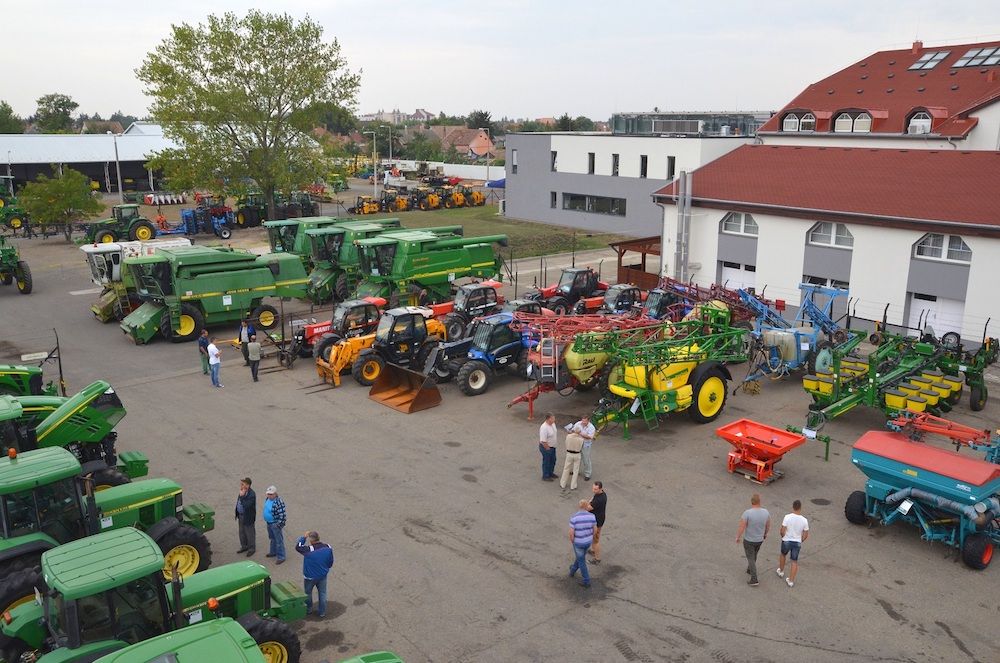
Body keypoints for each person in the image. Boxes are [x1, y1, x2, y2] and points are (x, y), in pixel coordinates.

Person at [296, 531, 334, 618]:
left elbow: (298, 547)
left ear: (311, 541)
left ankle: (309, 609)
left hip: (310, 577)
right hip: (322, 575)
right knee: (322, 593)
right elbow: (330, 561)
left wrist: (303, 537)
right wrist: (326, 568)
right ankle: (322, 612)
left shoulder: (309, 550)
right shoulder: (328, 547)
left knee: (308, 593)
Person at [736, 493, 770, 587]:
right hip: (759, 539)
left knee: (750, 557)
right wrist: (765, 534)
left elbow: (742, 526)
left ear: (751, 502)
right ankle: (750, 569)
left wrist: (738, 537)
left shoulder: (747, 513)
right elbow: (768, 525)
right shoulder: (766, 512)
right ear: (759, 502)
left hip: (749, 540)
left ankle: (754, 579)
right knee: (754, 554)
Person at [777, 499, 809, 588]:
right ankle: (791, 581)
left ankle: (781, 571)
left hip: (787, 540)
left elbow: (782, 530)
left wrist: (783, 536)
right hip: (797, 542)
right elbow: (806, 534)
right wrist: (801, 540)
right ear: (800, 508)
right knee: (794, 561)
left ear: (793, 507)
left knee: (783, 555)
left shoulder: (787, 517)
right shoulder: (804, 520)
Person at [568, 499, 597, 588]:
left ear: (579, 507)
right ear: (586, 506)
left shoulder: (574, 517)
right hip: (588, 542)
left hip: (578, 542)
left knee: (581, 561)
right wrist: (591, 537)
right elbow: (595, 530)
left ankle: (586, 580)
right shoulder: (592, 516)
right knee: (580, 557)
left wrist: (573, 541)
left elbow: (571, 533)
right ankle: (572, 570)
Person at [567, 416, 596, 481]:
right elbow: (573, 430)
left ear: (588, 421)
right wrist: (570, 431)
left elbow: (589, 437)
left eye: (585, 421)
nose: (583, 422)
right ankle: (575, 471)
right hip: (577, 444)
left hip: (586, 445)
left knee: (586, 459)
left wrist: (580, 433)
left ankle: (587, 474)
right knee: (576, 458)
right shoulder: (578, 423)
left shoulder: (591, 427)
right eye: (582, 421)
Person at [263, 486, 287, 564]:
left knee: (279, 541)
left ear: (275, 494)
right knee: (272, 538)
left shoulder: (279, 502)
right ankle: (273, 552)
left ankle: (281, 557)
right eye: (268, 494)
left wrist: (278, 525)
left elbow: (282, 515)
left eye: (271, 494)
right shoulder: (268, 499)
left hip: (275, 524)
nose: (269, 495)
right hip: (269, 523)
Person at [235, 477, 256, 557]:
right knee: (242, 532)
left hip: (248, 517)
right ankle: (244, 546)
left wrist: (242, 496)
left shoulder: (252, 494)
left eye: (243, 484)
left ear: (247, 485)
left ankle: (251, 548)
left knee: (249, 533)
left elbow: (247, 505)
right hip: (241, 515)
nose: (241, 485)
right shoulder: (242, 491)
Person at [587, 481, 607, 564]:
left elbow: (588, 508)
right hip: (599, 518)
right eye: (593, 488)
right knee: (594, 537)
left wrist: (587, 503)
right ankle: (592, 550)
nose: (593, 491)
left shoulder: (598, 500)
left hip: (597, 521)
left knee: (596, 540)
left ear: (600, 489)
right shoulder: (602, 494)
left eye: (595, 489)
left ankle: (597, 559)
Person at [538, 412, 558, 481]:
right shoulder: (544, 428)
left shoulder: (553, 424)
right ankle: (545, 476)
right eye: (553, 418)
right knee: (547, 461)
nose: (554, 420)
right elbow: (543, 441)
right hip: (546, 447)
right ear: (548, 419)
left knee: (553, 460)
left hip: (553, 446)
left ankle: (550, 473)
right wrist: (548, 449)